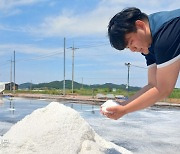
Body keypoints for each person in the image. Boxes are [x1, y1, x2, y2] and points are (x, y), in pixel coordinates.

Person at [101, 7, 180, 120]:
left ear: (140, 25)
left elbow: (163, 89)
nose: (133, 49)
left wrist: (125, 110)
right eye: (128, 47)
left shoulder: (165, 34)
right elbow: (152, 85)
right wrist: (125, 104)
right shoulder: (148, 45)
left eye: (131, 42)